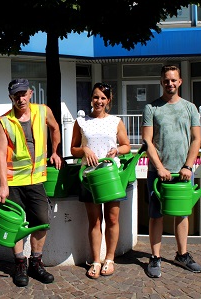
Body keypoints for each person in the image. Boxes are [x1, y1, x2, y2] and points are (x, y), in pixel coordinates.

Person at [0, 78, 62, 287]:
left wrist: (55, 152)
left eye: (23, 94)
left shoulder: (42, 111)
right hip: (13, 181)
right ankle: (20, 263)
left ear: (30, 93)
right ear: (10, 97)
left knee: (42, 220)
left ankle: (36, 262)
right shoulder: (3, 121)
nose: (20, 98)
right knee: (16, 224)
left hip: (36, 179)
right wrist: (3, 185)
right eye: (16, 95)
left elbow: (55, 128)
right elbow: (0, 154)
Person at [142, 65, 201, 278]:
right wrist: (159, 167)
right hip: (158, 173)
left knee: (182, 214)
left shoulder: (190, 108)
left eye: (174, 80)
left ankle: (182, 254)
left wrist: (188, 166)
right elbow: (147, 141)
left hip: (182, 172)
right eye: (166, 80)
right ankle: (155, 257)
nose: (170, 84)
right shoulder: (152, 108)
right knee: (156, 214)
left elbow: (196, 139)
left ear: (180, 82)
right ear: (161, 82)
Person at [70, 82, 131, 279]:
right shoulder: (81, 123)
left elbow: (126, 146)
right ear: (91, 99)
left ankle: (110, 258)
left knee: (112, 219)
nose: (99, 101)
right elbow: (73, 149)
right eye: (96, 97)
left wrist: (117, 150)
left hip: (111, 176)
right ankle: (96, 260)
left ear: (108, 101)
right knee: (94, 221)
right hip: (89, 176)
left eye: (103, 98)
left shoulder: (116, 121)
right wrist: (84, 150)